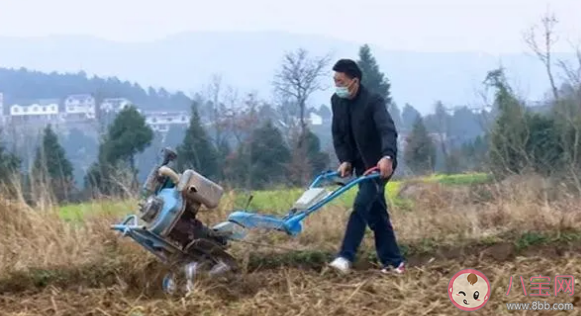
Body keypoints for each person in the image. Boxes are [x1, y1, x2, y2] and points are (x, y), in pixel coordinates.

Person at [328, 59, 405, 275]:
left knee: (361, 204)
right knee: (376, 213)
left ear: (355, 81)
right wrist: (345, 160)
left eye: (341, 81)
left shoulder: (373, 101)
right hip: (360, 165)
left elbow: (387, 130)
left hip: (380, 165)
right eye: (334, 81)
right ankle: (394, 262)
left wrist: (387, 156)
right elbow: (339, 135)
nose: (337, 86)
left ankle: (345, 256)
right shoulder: (337, 101)